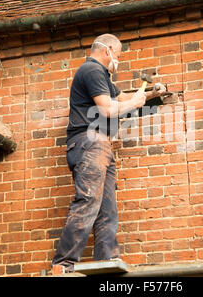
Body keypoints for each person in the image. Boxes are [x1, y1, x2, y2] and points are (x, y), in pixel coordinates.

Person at [51, 33, 166, 273]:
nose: (118, 61)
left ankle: (107, 262)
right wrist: (134, 104)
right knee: (89, 201)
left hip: (101, 146)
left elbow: (120, 97)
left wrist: (151, 94)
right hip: (89, 143)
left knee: (107, 209)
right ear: (108, 50)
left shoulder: (102, 76)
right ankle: (62, 265)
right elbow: (108, 109)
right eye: (118, 56)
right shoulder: (91, 70)